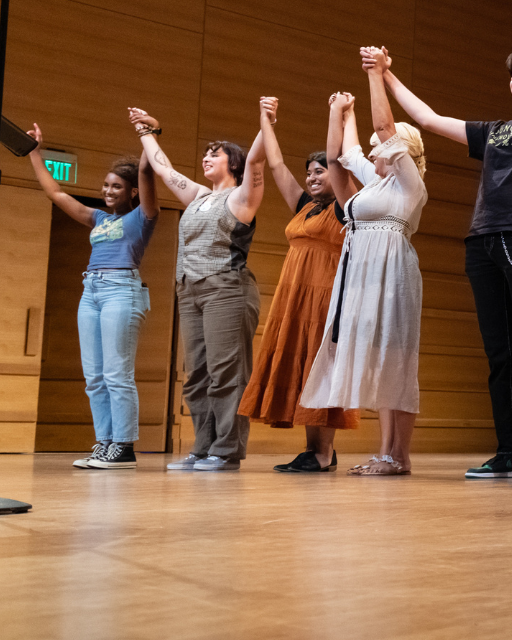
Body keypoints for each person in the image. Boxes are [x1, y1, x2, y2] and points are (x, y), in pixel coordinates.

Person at [368, 45, 512, 482]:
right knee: (499, 354)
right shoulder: (495, 130)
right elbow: (427, 119)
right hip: (482, 240)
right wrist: (386, 74)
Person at [300, 54, 430, 476]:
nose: (374, 150)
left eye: (383, 149)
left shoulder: (410, 185)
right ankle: (385, 451)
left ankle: (399, 455)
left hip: (391, 272)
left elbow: (383, 130)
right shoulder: (374, 187)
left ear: (401, 154)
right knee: (377, 358)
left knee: (396, 358)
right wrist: (339, 113)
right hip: (358, 272)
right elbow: (339, 156)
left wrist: (375, 74)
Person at [128, 107, 265, 471]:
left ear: (233, 164)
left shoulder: (240, 197)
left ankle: (226, 450)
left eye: (215, 153)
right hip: (190, 290)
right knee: (198, 374)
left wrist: (266, 121)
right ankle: (203, 447)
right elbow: (162, 168)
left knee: (227, 372)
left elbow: (257, 161)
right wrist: (147, 131)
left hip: (226, 288)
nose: (206, 157)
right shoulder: (200, 195)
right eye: (205, 153)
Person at [238, 95, 361, 473]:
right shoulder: (305, 206)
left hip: (326, 298)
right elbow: (275, 165)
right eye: (308, 172)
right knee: (303, 369)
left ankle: (322, 454)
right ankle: (316, 451)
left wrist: (336, 114)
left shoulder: (347, 204)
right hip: (294, 297)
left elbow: (339, 159)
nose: (311, 177)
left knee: (320, 369)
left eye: (319, 171)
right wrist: (265, 121)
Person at [26, 122, 158, 470]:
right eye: (106, 185)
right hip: (92, 291)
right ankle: (105, 442)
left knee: (117, 374)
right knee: (95, 376)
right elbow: (56, 194)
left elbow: (147, 170)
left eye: (117, 186)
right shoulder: (98, 217)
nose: (108, 190)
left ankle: (124, 446)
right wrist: (35, 152)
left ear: (132, 192)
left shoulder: (143, 216)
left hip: (121, 291)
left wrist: (150, 134)